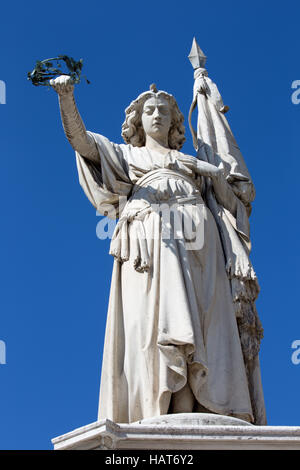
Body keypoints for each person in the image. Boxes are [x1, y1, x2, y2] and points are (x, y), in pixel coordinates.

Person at [50, 76, 264, 424]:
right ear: (137, 121)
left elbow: (232, 203)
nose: (156, 115)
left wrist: (214, 173)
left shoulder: (195, 163)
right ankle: (164, 404)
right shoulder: (127, 155)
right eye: (149, 110)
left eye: (164, 111)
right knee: (157, 319)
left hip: (200, 236)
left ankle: (204, 404)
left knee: (205, 319)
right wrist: (66, 98)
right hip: (151, 237)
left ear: (175, 121)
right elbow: (82, 142)